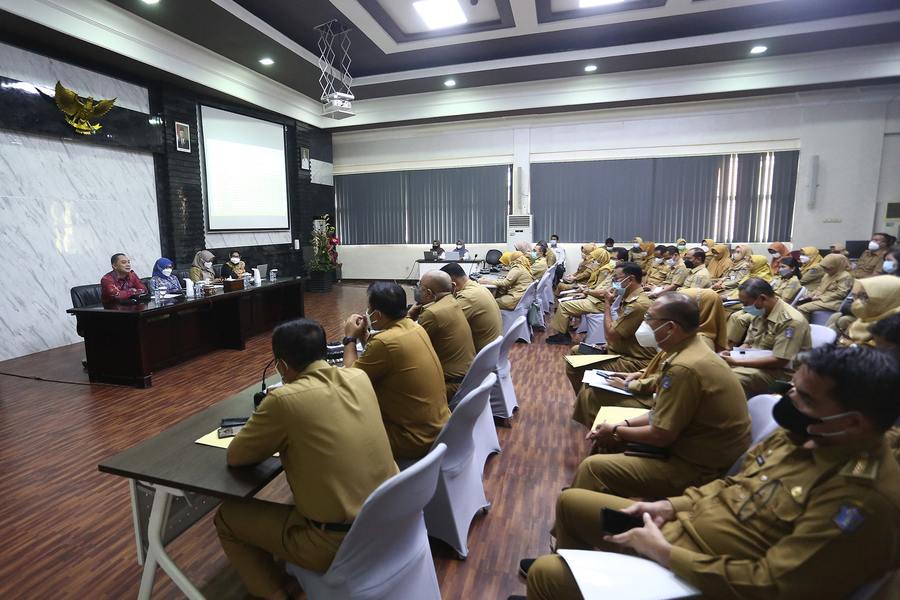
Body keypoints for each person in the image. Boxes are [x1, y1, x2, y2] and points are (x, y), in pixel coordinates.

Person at [519, 344, 900, 600]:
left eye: (805, 398)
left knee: (547, 575)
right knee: (572, 502)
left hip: (702, 576)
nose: (790, 401)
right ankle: (590, 580)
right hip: (678, 531)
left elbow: (772, 585)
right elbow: (732, 484)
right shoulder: (802, 436)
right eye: (794, 389)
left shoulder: (860, 497)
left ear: (851, 422)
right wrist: (670, 506)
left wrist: (665, 553)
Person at [215, 319, 398, 600]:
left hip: (336, 541)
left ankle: (275, 594)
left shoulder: (284, 400)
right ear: (324, 351)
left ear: (282, 366)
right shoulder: (358, 377)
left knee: (227, 517)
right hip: (387, 519)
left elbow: (237, 456)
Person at [573, 292, 751, 498]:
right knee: (605, 443)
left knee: (592, 468)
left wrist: (617, 431)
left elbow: (660, 435)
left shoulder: (685, 366)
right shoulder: (688, 349)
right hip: (691, 447)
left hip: (697, 467)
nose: (645, 323)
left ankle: (582, 510)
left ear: (670, 328)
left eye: (649, 319)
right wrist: (621, 426)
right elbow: (660, 413)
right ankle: (594, 505)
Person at [342, 282, 449, 460]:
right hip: (439, 427)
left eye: (369, 308)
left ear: (376, 314)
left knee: (344, 429)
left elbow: (351, 377)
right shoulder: (414, 327)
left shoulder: (385, 341)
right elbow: (384, 355)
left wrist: (349, 339)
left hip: (413, 439)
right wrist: (364, 336)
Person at [563, 263, 657, 392]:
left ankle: (587, 397)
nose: (614, 283)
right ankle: (582, 396)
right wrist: (607, 346)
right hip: (620, 350)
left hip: (634, 359)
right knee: (576, 351)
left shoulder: (638, 305)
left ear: (630, 279)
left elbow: (611, 336)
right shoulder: (627, 298)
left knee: (578, 366)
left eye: (617, 279)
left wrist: (607, 303)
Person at [721, 278, 811, 396]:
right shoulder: (761, 312)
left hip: (783, 376)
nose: (743, 307)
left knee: (729, 379)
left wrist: (738, 361)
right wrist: (733, 354)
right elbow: (749, 343)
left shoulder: (791, 321)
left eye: (746, 303)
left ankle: (734, 413)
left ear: (762, 298)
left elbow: (780, 361)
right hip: (759, 363)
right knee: (716, 368)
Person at [407, 271, 476, 401]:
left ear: (428, 293)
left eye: (419, 286)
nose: (417, 289)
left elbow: (407, 344)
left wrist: (409, 316)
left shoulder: (432, 313)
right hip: (467, 379)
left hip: (450, 385)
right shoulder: (452, 301)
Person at [545, 248, 615, 345]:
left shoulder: (605, 270)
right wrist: (586, 291)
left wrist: (587, 291)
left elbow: (601, 291)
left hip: (597, 303)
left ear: (600, 259)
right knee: (566, 301)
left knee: (564, 306)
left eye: (595, 259)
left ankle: (563, 336)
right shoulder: (602, 268)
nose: (593, 261)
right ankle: (562, 333)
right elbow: (596, 286)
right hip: (593, 299)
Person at [728, 256, 802, 342]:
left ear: (792, 268)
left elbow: (784, 299)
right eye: (779, 267)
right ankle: (728, 342)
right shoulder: (778, 279)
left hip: (770, 305)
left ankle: (732, 343)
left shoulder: (793, 282)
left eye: (783, 267)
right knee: (734, 315)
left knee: (741, 319)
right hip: (761, 302)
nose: (780, 269)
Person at [441, 262, 502, 352]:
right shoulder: (478, 287)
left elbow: (445, 325)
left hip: (481, 354)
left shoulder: (468, 297)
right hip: (492, 350)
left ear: (453, 284)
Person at [834, 275, 900, 346]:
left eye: (866, 297)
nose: (858, 302)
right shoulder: (865, 320)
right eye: (861, 296)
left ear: (887, 299)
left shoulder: (891, 331)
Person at [796, 253, 853, 318]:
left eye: (828, 268)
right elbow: (820, 287)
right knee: (797, 304)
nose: (825, 270)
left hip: (833, 302)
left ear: (837, 266)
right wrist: (811, 295)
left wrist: (820, 297)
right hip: (822, 298)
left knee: (802, 308)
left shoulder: (845, 276)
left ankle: (805, 326)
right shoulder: (828, 274)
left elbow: (841, 293)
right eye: (824, 268)